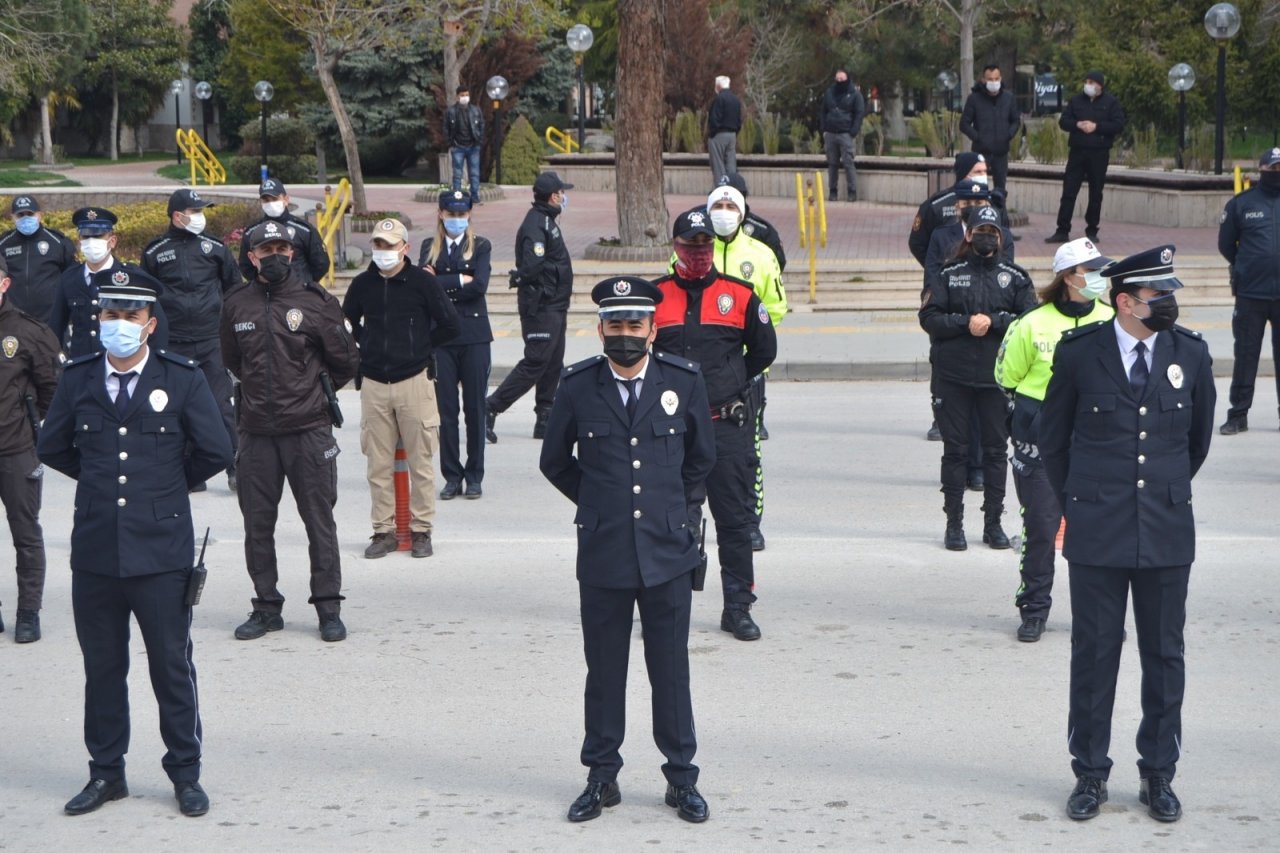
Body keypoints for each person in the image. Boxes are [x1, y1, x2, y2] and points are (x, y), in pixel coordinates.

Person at [37, 269, 233, 818]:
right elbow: (53, 447)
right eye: (109, 315)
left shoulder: (182, 377)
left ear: (149, 325)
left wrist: (166, 486)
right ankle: (106, 773)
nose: (117, 325)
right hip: (97, 548)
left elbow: (216, 449)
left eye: (129, 317)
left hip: (162, 549)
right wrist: (100, 484)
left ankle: (185, 773)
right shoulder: (78, 378)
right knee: (102, 668)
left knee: (170, 665)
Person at [1039, 245, 1215, 823]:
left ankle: (1157, 774)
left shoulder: (1189, 353)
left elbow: (1196, 442)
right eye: (1157, 295)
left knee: (1165, 655)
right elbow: (1053, 440)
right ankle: (1089, 773)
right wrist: (1084, 500)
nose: (1167, 303)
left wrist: (1156, 490)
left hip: (1165, 528)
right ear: (1123, 301)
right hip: (1097, 527)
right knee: (1094, 654)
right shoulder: (1080, 354)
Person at [540, 276, 716, 825]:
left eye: (633, 325)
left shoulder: (683, 381)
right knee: (605, 670)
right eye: (614, 326)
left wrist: (676, 513)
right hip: (604, 550)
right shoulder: (577, 385)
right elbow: (555, 461)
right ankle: (601, 777)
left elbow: (701, 458)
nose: (624, 335)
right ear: (599, 330)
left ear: (652, 329)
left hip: (667, 550)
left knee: (670, 670)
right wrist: (597, 501)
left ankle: (681, 778)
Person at [220, 221, 359, 643]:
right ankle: (266, 606)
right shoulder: (236, 303)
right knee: (257, 525)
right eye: (267, 249)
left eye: (282, 247)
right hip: (257, 431)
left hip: (309, 430)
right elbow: (232, 360)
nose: (275, 255)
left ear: (293, 253)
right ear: (251, 256)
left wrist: (311, 394)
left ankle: (328, 608)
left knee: (319, 523)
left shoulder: (315, 302)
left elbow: (346, 362)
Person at [653, 209, 777, 641]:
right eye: (690, 246)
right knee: (671, 522)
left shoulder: (739, 295)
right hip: (671, 432)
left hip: (725, 426)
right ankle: (669, 607)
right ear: (676, 248)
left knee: (736, 522)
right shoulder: (654, 297)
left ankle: (738, 607)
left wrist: (729, 382)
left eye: (705, 245)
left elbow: (763, 351)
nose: (699, 253)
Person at [994, 238, 1114, 642]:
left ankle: (1098, 616)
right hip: (1041, 441)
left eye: (1101, 269)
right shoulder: (1031, 323)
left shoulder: (1114, 319)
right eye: (1090, 270)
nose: (1099, 277)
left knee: (1098, 533)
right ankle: (1034, 609)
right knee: (1042, 528)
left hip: (1096, 442)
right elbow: (1006, 378)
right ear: (1067, 277)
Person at [919, 205, 1036, 551]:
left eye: (993, 232)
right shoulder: (948, 273)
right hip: (952, 377)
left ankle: (993, 523)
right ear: (968, 235)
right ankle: (953, 524)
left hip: (996, 379)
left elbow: (1028, 320)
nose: (987, 237)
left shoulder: (1015, 277)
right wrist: (965, 323)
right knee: (956, 451)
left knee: (996, 453)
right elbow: (929, 317)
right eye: (981, 230)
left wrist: (995, 321)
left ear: (1001, 238)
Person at [343, 218, 459, 558]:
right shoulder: (362, 284)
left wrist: (421, 347)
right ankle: (383, 531)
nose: (384, 252)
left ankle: (421, 530)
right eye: (378, 245)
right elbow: (346, 323)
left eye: (390, 246)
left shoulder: (422, 282)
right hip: (375, 384)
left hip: (414, 382)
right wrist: (364, 345)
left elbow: (451, 324)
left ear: (405, 248)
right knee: (377, 465)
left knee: (420, 462)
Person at [701, 183, 787, 550]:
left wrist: (745, 347)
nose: (724, 210)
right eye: (717, 204)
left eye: (729, 204)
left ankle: (750, 522)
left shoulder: (761, 254)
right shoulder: (693, 250)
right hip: (698, 373)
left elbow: (776, 308)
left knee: (745, 453)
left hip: (744, 372)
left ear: (741, 210)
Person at [143, 188, 241, 492]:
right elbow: (147, 298)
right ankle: (188, 473)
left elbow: (234, 290)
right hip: (173, 342)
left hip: (211, 340)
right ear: (177, 216)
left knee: (220, 405)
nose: (200, 216)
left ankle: (236, 467)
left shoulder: (215, 248)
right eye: (195, 211)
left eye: (201, 211)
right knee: (173, 408)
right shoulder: (155, 251)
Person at [486, 171, 574, 442]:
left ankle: (544, 418)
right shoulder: (536, 224)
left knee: (553, 363)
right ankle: (491, 407)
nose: (564, 197)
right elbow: (532, 265)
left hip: (555, 305)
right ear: (552, 196)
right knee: (536, 361)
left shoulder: (547, 221)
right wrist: (524, 278)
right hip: (541, 305)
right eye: (561, 193)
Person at [0, 256, 61, 643]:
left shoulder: (27, 331)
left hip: (15, 449)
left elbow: (53, 391)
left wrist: (35, 433)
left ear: (4, 284)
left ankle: (28, 611)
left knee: (25, 533)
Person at [418, 191, 492, 499]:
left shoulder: (482, 245)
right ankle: (451, 475)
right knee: (445, 411)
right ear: (440, 214)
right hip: (442, 338)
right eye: (451, 214)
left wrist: (443, 282)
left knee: (475, 409)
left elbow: (480, 286)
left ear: (469, 214)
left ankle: (474, 475)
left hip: (474, 336)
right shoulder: (428, 247)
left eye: (462, 215)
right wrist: (460, 279)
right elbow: (423, 286)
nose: (457, 220)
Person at [48, 208, 172, 360]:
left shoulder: (130, 277)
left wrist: (155, 363)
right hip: (82, 364)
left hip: (122, 363)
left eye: (98, 236)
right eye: (86, 236)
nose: (91, 241)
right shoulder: (69, 278)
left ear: (112, 241)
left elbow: (157, 325)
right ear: (79, 241)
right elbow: (56, 327)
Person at [1216, 147, 1280, 435]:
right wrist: (1247, 267)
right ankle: (1238, 414)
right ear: (1262, 170)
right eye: (1274, 169)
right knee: (1245, 356)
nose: (1278, 174)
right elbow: (1226, 245)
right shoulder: (1241, 204)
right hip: (1251, 294)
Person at [1046, 70, 1126, 244]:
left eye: (1092, 82)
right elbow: (1063, 122)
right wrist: (1077, 124)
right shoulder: (1076, 101)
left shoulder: (1111, 102)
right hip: (1077, 152)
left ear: (1100, 85)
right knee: (1069, 192)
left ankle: (1091, 230)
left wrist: (1096, 127)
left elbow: (1118, 125)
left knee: (1095, 193)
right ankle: (1062, 230)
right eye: (1087, 81)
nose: (1088, 85)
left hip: (1099, 153)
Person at [237, 178, 331, 284]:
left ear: (286, 199)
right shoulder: (252, 232)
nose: (271, 203)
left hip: (299, 293)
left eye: (275, 199)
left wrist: (305, 283)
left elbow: (321, 263)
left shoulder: (304, 230)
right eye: (266, 200)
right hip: (266, 294)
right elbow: (246, 266)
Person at [0, 194, 77, 321]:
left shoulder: (58, 242)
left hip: (51, 318)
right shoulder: (4, 244)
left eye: (30, 214)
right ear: (12, 217)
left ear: (39, 215)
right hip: (13, 319)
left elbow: (71, 277)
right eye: (20, 215)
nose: (25, 218)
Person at [960, 64, 1021, 193]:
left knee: (1000, 190)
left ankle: (1000, 212)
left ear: (1000, 79)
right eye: (990, 79)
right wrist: (978, 138)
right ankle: (977, 212)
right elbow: (964, 124)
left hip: (1001, 152)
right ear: (983, 80)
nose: (993, 82)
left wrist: (1008, 135)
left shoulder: (1008, 98)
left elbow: (1016, 121)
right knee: (977, 189)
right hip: (981, 152)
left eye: (996, 79)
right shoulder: (974, 99)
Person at [721, 172, 786, 272]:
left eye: (729, 198)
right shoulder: (705, 227)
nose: (722, 202)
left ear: (742, 197)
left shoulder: (762, 231)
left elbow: (778, 264)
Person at [820, 69, 866, 202]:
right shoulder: (829, 93)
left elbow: (859, 114)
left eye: (842, 79)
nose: (839, 81)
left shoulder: (855, 95)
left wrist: (853, 131)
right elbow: (823, 111)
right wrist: (824, 129)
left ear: (847, 79)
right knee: (832, 164)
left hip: (846, 134)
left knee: (848, 163)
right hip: (830, 134)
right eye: (837, 79)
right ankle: (833, 192)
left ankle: (852, 192)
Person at [444, 85, 485, 206]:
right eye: (462, 95)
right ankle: (457, 197)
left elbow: (481, 125)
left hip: (473, 147)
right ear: (457, 97)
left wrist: (479, 140)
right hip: (458, 147)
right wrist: (450, 143)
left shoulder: (476, 110)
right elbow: (446, 128)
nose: (465, 97)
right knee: (457, 174)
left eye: (467, 95)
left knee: (474, 174)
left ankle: (475, 197)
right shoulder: (450, 111)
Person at [707, 75, 741, 183]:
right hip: (732, 134)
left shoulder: (719, 99)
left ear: (718, 86)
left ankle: (720, 187)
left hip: (719, 134)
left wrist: (712, 133)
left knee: (718, 164)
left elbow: (714, 118)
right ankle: (733, 185)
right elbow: (739, 119)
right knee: (731, 163)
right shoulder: (736, 100)